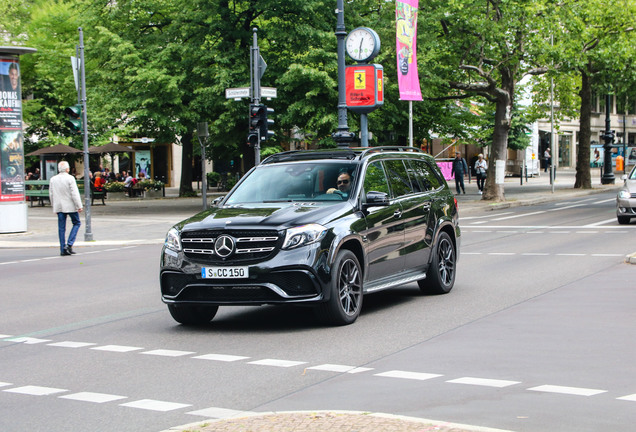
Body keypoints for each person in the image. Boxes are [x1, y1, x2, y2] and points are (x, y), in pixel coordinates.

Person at [49, 161, 83, 256]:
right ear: (67, 169)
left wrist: (54, 206)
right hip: (70, 205)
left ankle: (62, 248)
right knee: (76, 223)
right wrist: (79, 206)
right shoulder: (70, 178)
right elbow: (74, 193)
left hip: (59, 206)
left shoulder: (53, 179)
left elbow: (51, 194)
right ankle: (69, 244)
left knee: (61, 228)